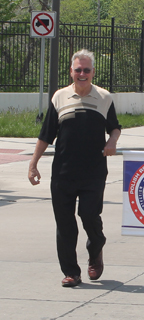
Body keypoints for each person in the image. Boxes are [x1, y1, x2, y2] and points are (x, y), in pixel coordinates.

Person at [28, 49, 121, 288]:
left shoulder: (104, 97)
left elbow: (115, 127)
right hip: (63, 172)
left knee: (89, 216)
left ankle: (95, 248)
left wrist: (112, 141)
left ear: (92, 72)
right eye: (78, 69)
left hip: (93, 171)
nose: (82, 74)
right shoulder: (59, 97)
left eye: (86, 70)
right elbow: (46, 134)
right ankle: (71, 272)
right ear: (71, 71)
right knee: (65, 223)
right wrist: (33, 163)